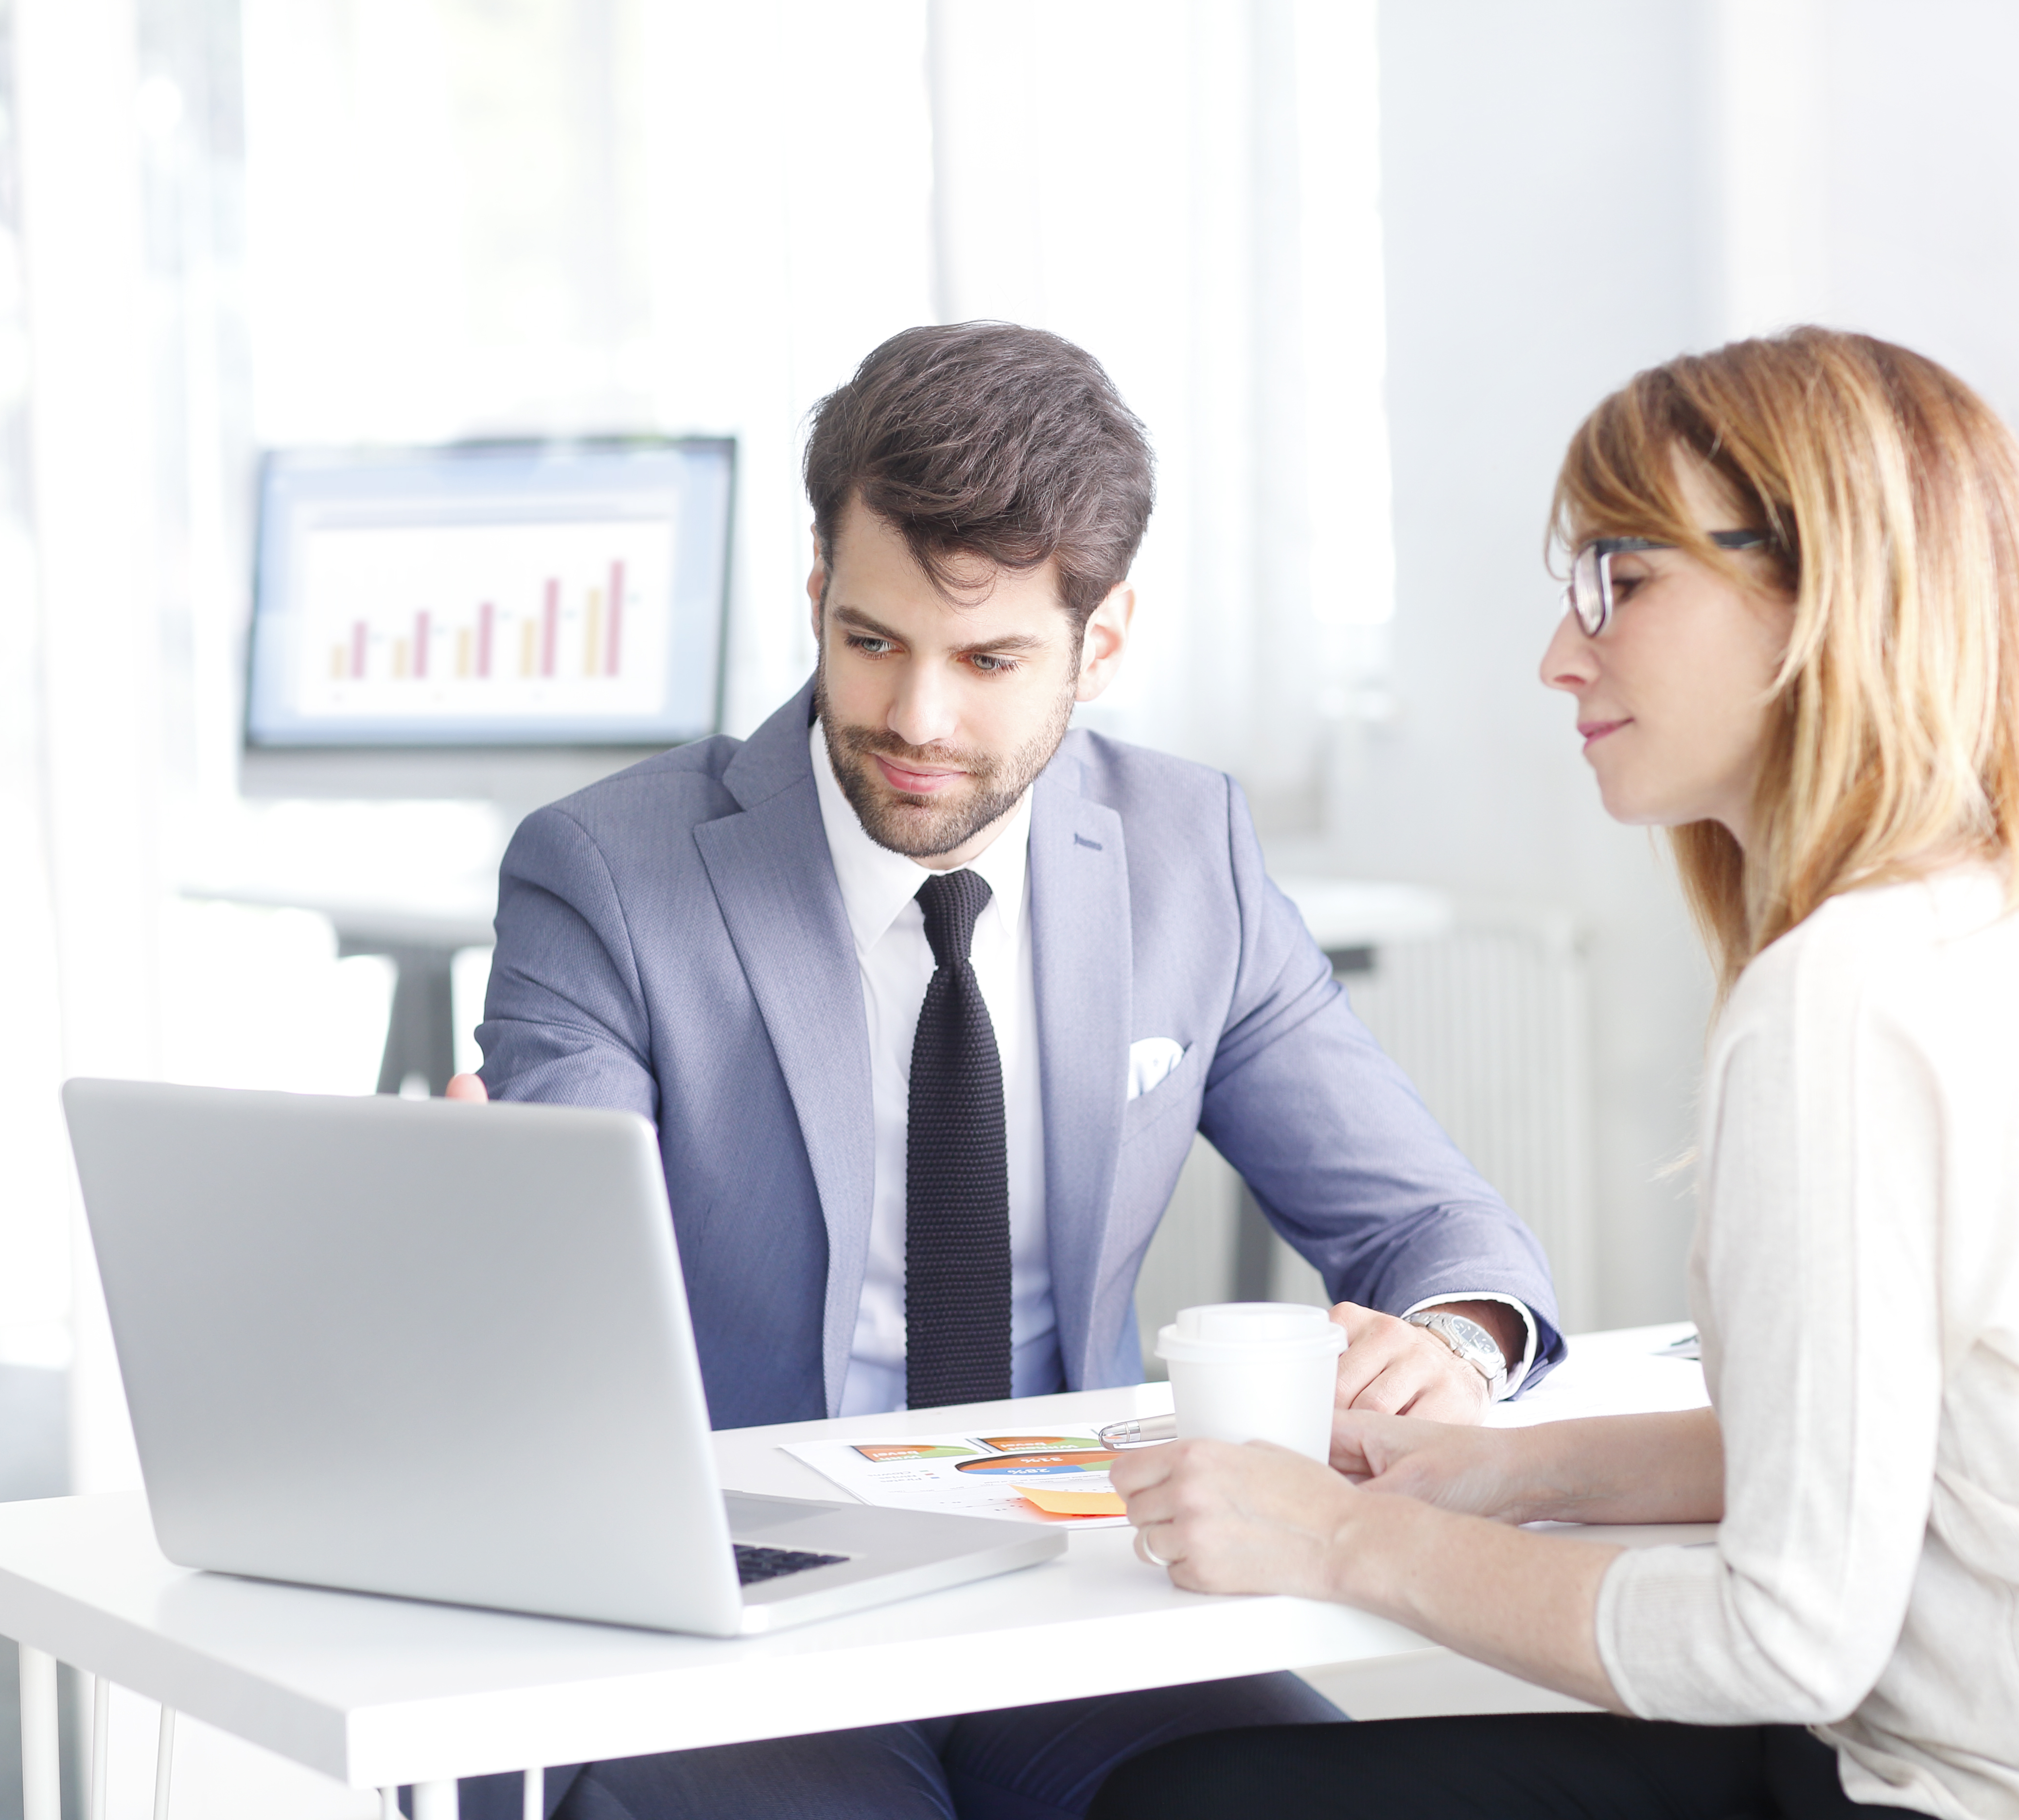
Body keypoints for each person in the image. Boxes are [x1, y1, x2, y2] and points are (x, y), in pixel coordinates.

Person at [1092, 328, 2019, 1820]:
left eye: (1625, 578)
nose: (1563, 653)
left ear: (1821, 597)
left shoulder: (1849, 997)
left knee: (1192, 1803)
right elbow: (1884, 1453)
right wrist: (1492, 1476)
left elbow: (1787, 1637)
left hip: (1973, 1796)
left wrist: (1344, 1542)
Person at [445, 321, 1567, 1819]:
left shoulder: (1187, 859)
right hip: (735, 1611)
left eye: (989, 662)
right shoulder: (608, 873)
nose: (916, 720)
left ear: (1098, 647)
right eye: (871, 641)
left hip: (1076, 1593)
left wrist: (1460, 1336)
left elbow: (1438, 1229)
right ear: (816, 597)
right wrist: (491, 1236)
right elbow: (568, 1296)